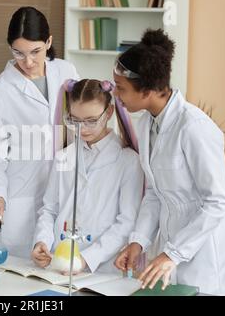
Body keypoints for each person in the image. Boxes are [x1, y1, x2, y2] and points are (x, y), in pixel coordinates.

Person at [113, 29, 225, 295]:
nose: (116, 94)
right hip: (171, 254)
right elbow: (154, 192)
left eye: (121, 88)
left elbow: (218, 202)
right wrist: (138, 241)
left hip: (207, 255)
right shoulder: (146, 123)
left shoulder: (194, 127)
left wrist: (172, 254)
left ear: (147, 91)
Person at [0, 6, 79, 258]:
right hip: (20, 201)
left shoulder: (67, 73)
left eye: (36, 51)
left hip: (64, 194)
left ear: (49, 42)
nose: (28, 62)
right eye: (19, 53)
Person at [31, 79, 143, 274]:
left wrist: (85, 259)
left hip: (102, 267)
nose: (82, 129)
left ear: (108, 112)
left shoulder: (129, 161)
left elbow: (126, 222)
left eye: (91, 120)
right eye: (75, 120)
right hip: (58, 261)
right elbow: (50, 209)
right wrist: (41, 241)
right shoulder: (64, 156)